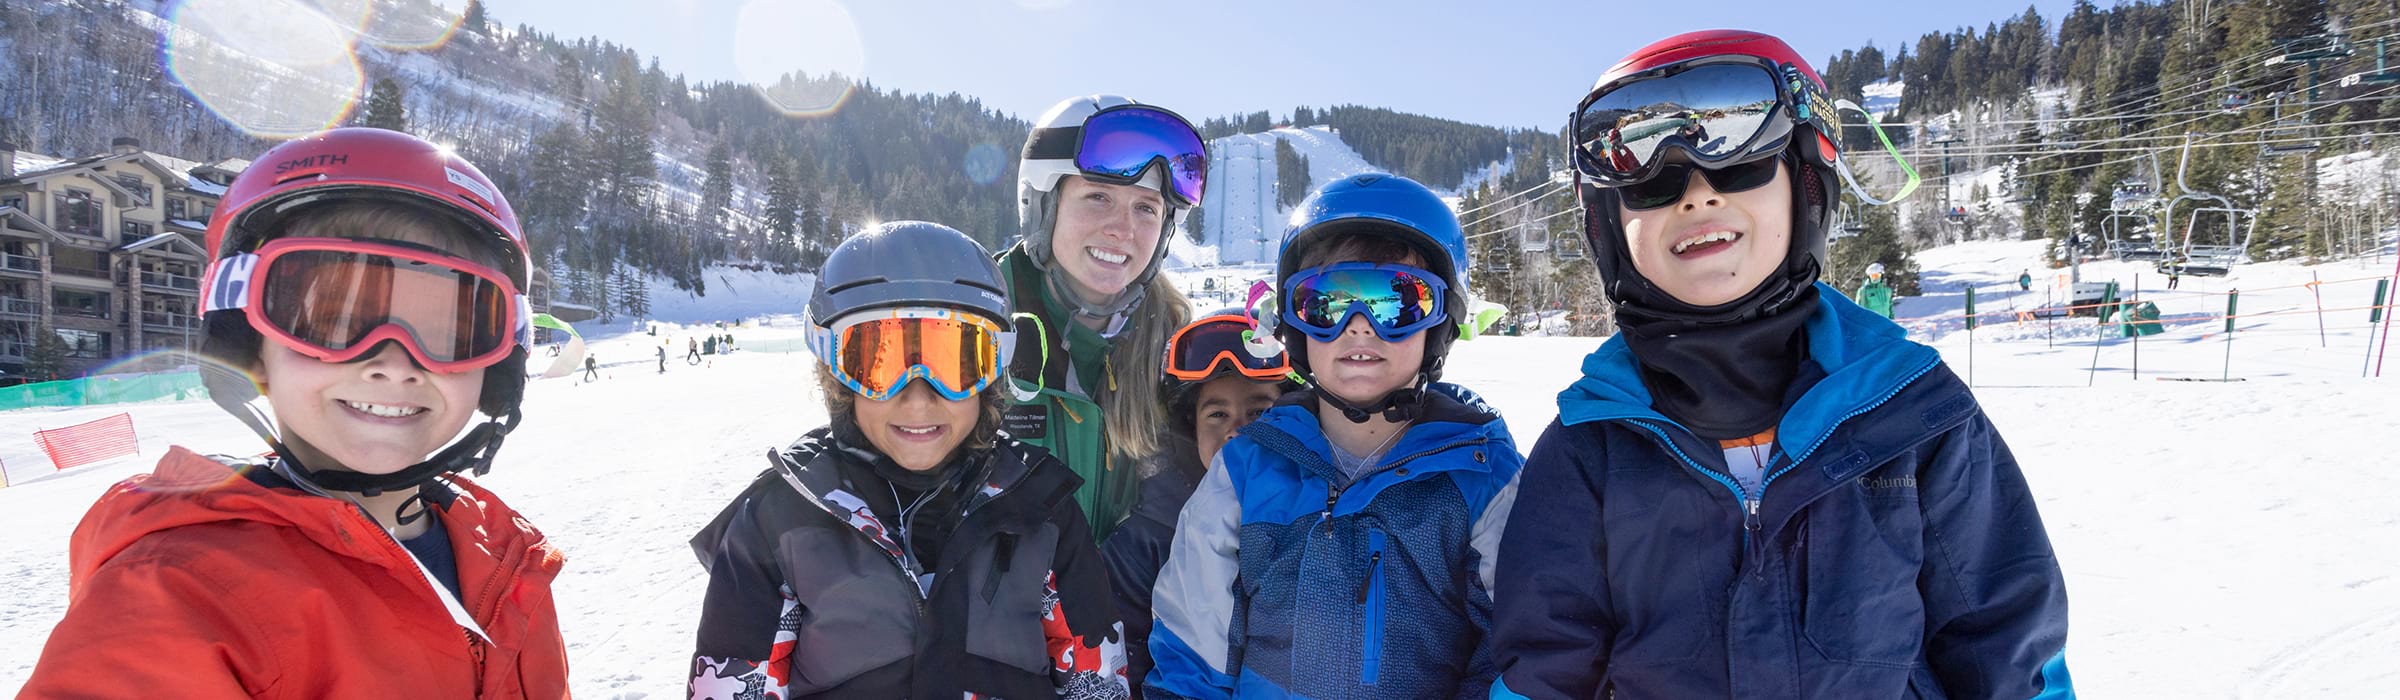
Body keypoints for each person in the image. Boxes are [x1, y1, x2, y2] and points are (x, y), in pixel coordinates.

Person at [1491, 30, 2073, 699]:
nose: (1697, 195)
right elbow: (1542, 673)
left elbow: (2008, 648)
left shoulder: (1913, 416)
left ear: (1806, 186)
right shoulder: (1589, 446)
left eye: (1742, 163)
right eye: (1652, 184)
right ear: (1608, 227)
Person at [22, 127, 569, 695]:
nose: (393, 363)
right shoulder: (172, 604)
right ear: (245, 341)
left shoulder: (504, 554)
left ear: (500, 364)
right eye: (334, 318)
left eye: (448, 330)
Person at [689, 222, 1128, 699]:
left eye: (958, 361)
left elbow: (1096, 682)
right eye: (880, 362)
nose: (918, 400)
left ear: (992, 375)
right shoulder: (780, 520)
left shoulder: (1040, 509)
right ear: (837, 374)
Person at [1146, 174, 1524, 699]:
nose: (1359, 326)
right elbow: (1193, 653)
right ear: (1294, 327)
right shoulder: (1247, 471)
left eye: (1397, 303)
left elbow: (1520, 654)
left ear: (1440, 323)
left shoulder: (1483, 475)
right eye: (1326, 303)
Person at [1001, 95, 1206, 542]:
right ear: (1042, 205)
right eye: (1098, 196)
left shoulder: (1181, 353)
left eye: (1146, 208)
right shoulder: (973, 328)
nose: (1123, 229)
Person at [1100, 310, 1293, 697]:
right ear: (1190, 428)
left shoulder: (1321, 515)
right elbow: (1121, 665)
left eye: (1259, 412)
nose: (1238, 430)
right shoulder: (1147, 540)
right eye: (1217, 414)